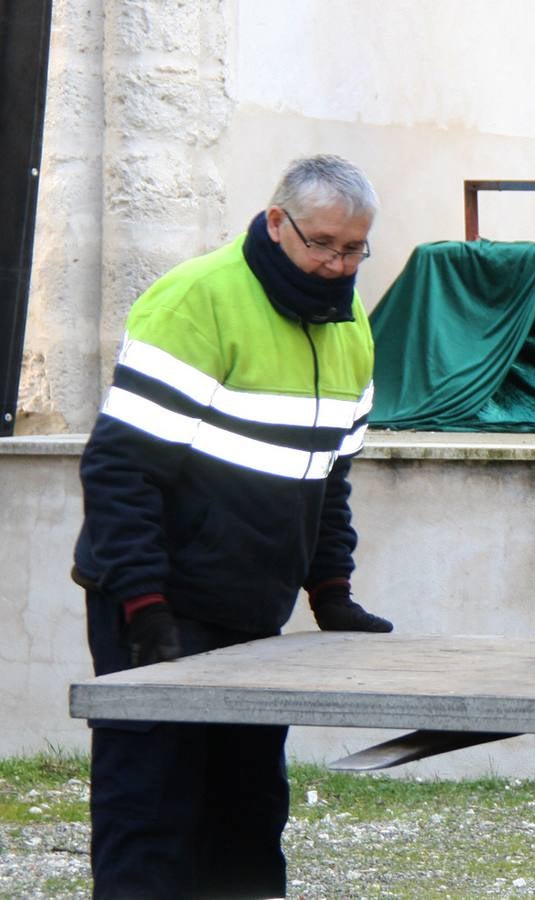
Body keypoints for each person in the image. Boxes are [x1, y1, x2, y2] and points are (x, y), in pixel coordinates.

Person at [73, 154, 394, 898]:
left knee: (248, 815)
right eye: (320, 244)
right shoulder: (197, 300)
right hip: (160, 605)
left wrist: (332, 588)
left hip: (254, 615)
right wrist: (143, 608)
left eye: (353, 250)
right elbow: (120, 471)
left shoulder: (351, 329)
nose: (335, 265)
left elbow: (326, 478)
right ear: (276, 222)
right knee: (152, 811)